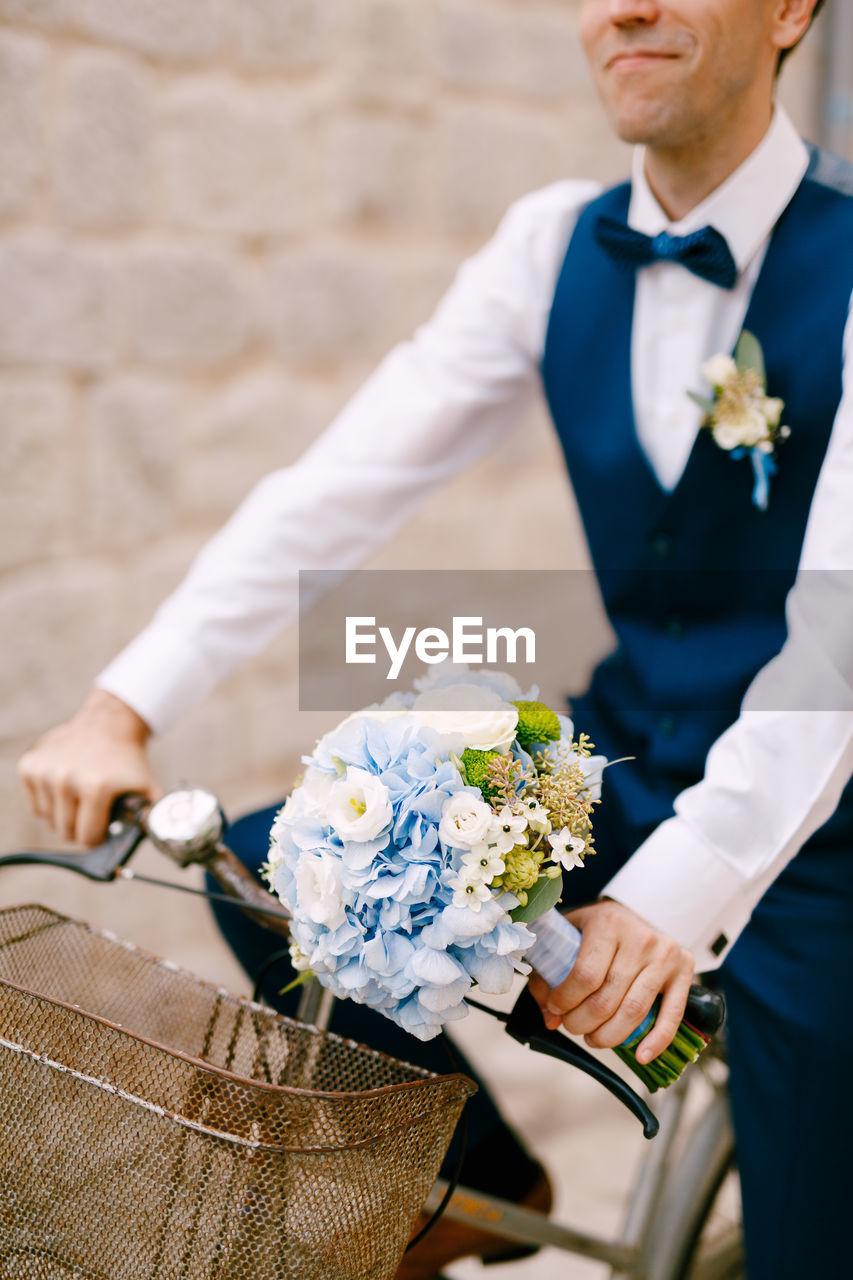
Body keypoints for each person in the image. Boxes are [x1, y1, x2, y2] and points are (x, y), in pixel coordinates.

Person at [19, 1, 851, 1277]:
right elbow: (334, 489)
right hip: (626, 751)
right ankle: (465, 1179)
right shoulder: (547, 247)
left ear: (790, 9)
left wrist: (669, 899)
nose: (621, 7)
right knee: (276, 869)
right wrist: (124, 700)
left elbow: (836, 643)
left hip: (821, 824)